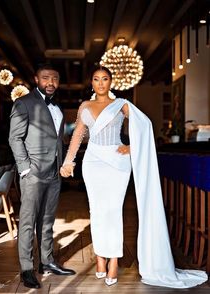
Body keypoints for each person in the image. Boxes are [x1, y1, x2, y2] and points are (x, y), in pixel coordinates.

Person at [60, 66, 208, 288]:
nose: (101, 83)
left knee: (113, 211)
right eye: (96, 79)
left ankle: (114, 262)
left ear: (111, 82)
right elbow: (78, 136)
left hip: (117, 163)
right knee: (97, 211)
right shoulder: (85, 106)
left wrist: (132, 147)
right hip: (92, 162)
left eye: (105, 79)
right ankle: (101, 259)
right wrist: (68, 162)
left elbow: (144, 125)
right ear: (91, 83)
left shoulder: (121, 105)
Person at [9, 63, 75, 289]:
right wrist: (25, 168)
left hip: (54, 172)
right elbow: (15, 138)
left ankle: (46, 261)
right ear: (36, 79)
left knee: (47, 220)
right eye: (46, 78)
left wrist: (64, 163)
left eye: (55, 78)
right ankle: (26, 268)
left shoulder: (58, 108)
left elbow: (59, 141)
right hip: (33, 172)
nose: (51, 82)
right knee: (28, 221)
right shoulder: (24, 102)